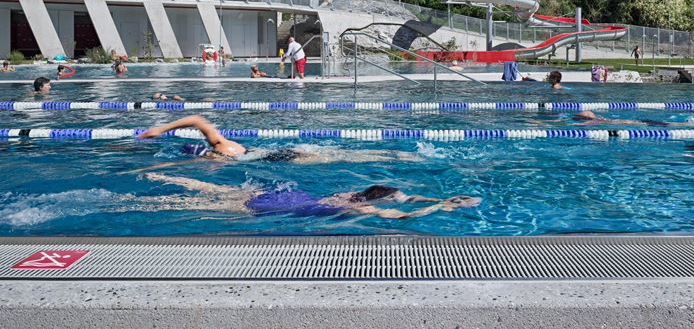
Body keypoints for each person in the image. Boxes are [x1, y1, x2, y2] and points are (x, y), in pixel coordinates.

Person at [136, 173, 480, 220]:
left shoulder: (353, 195)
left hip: (291, 194)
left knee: (217, 191)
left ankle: (166, 177)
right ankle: (148, 200)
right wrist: (442, 207)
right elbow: (402, 214)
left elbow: (404, 200)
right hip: (289, 206)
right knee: (198, 206)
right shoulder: (364, 211)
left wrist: (439, 198)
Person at [136, 115, 423, 164]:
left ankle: (395, 156)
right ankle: (395, 155)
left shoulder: (218, 154)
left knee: (338, 158)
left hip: (277, 158)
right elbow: (198, 120)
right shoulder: (222, 145)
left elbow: (197, 120)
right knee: (340, 155)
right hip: (276, 151)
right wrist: (160, 129)